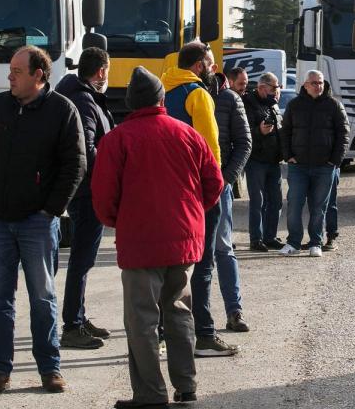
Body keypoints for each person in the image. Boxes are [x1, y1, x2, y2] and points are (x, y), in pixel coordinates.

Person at [0, 45, 86, 395]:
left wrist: (51, 210)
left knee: (42, 298)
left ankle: (49, 368)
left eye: (16, 71)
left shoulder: (62, 111)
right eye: (9, 70)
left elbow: (76, 164)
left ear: (38, 75)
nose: (7, 76)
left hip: (37, 222)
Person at [92, 67, 223, 409]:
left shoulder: (118, 138)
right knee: (179, 312)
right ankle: (187, 386)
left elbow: (104, 195)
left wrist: (118, 221)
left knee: (142, 320)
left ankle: (151, 393)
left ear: (132, 102)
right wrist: (193, 212)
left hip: (140, 240)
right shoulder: (188, 134)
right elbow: (215, 183)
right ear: (162, 99)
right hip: (183, 237)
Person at [160, 41, 237, 357]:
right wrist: (215, 189)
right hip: (197, 193)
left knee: (168, 266)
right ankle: (204, 335)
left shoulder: (162, 91)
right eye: (209, 62)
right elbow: (211, 149)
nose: (213, 68)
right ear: (197, 66)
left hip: (167, 191)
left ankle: (164, 333)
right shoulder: (198, 94)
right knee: (203, 264)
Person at [55, 47, 115, 349]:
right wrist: (109, 171)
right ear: (101, 72)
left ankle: (78, 314)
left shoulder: (76, 95)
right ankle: (72, 325)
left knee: (83, 259)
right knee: (81, 260)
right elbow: (88, 149)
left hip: (82, 189)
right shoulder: (84, 101)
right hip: (87, 191)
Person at [279, 70, 350, 257]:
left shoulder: (334, 105)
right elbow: (285, 132)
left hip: (324, 167)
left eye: (320, 83)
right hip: (298, 166)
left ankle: (315, 243)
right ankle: (293, 243)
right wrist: (288, 155)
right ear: (305, 85)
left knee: (319, 207)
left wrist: (334, 161)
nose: (318, 86)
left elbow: (344, 135)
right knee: (294, 205)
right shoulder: (294, 105)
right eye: (314, 83)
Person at [211, 71, 252, 332]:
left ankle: (233, 311)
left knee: (223, 249)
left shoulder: (228, 98)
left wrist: (227, 179)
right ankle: (182, 318)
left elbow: (244, 143)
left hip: (218, 186)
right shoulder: (181, 94)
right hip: (187, 189)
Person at [242, 73, 285, 251]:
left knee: (275, 201)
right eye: (274, 88)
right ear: (261, 88)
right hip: (256, 161)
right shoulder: (247, 103)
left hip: (274, 161)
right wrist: (259, 131)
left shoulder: (274, 106)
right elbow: (243, 133)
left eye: (278, 88)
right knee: (257, 202)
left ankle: (270, 236)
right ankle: (256, 239)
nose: (277, 92)